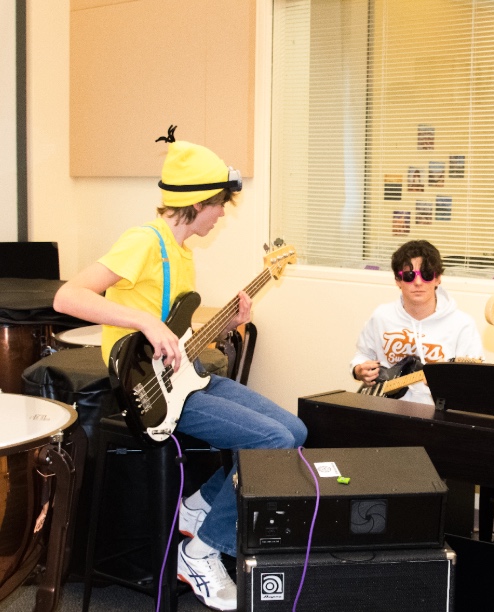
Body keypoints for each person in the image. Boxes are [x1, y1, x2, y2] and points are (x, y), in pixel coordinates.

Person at [54, 131, 308, 612]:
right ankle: (202, 551)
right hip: (150, 393)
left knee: (294, 429)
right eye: (221, 206)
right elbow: (67, 297)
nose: (222, 216)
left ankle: (199, 506)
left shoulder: (183, 253)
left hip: (182, 377)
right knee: (274, 444)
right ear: (200, 202)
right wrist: (143, 320)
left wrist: (225, 324)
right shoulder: (143, 242)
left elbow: (176, 338)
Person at [351, 240, 484, 405]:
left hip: (435, 414)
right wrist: (358, 370)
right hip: (383, 407)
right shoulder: (381, 316)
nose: (418, 282)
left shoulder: (462, 324)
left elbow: (472, 380)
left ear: (438, 279)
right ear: (398, 280)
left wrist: (445, 384)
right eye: (409, 276)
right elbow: (362, 355)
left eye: (427, 275)